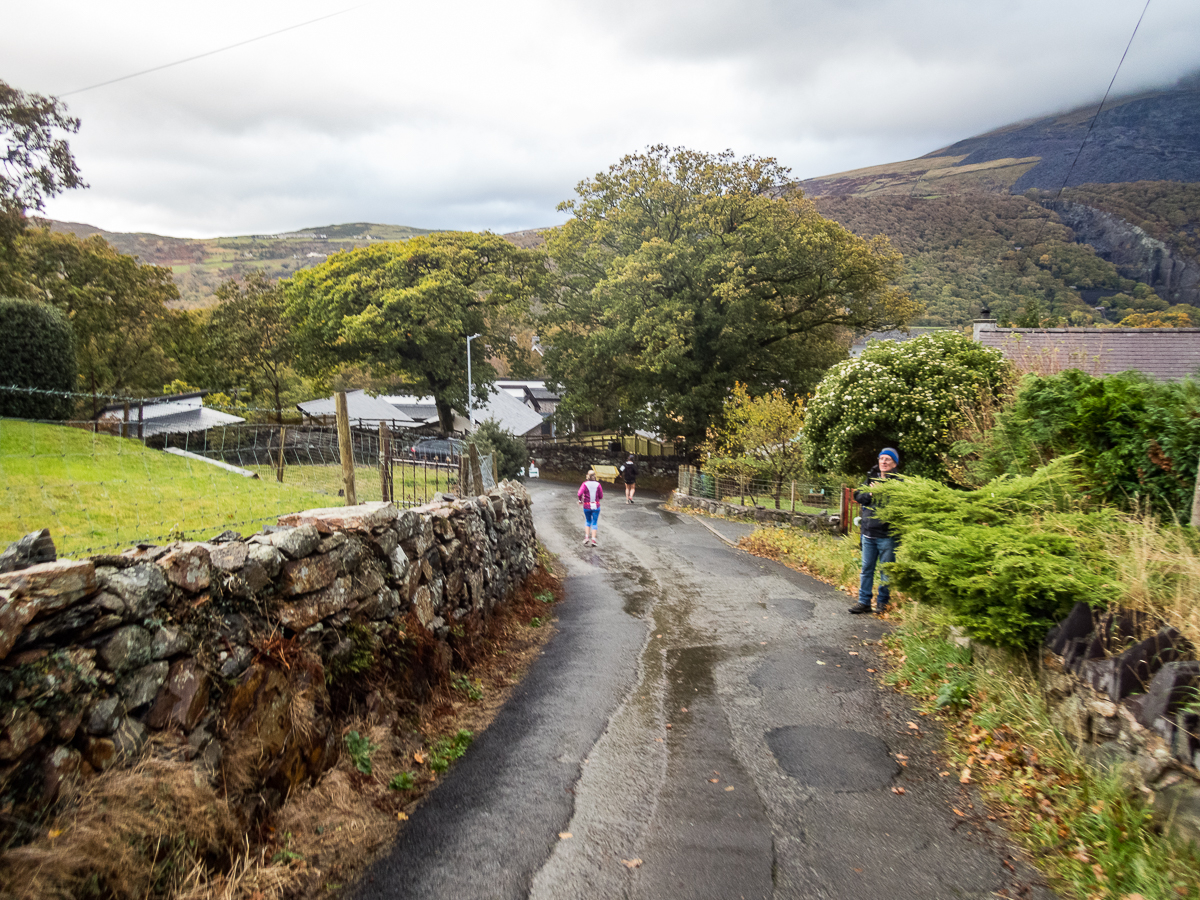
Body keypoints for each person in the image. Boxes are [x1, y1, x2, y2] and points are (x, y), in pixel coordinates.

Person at [849, 447, 901, 615]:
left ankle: (882, 603)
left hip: (887, 535)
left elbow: (898, 506)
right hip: (868, 532)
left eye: (888, 459)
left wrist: (883, 492)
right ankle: (864, 602)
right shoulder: (871, 478)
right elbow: (858, 496)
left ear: (894, 464)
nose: (884, 462)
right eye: (881, 458)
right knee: (866, 569)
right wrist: (871, 492)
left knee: (886, 571)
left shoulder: (899, 483)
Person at [577, 469, 603, 546]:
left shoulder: (585, 484)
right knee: (594, 522)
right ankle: (594, 540)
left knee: (588, 521)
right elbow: (601, 496)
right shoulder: (598, 484)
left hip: (587, 505)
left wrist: (580, 500)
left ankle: (587, 537)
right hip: (596, 505)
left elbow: (579, 493)